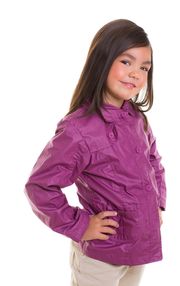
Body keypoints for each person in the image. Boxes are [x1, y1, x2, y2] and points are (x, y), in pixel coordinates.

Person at [24, 19, 167, 286]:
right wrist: (81, 225)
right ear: (102, 61)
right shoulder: (78, 130)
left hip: (138, 246)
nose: (136, 73)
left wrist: (157, 203)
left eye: (144, 67)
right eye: (126, 62)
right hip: (100, 256)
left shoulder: (137, 118)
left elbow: (153, 161)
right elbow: (40, 187)